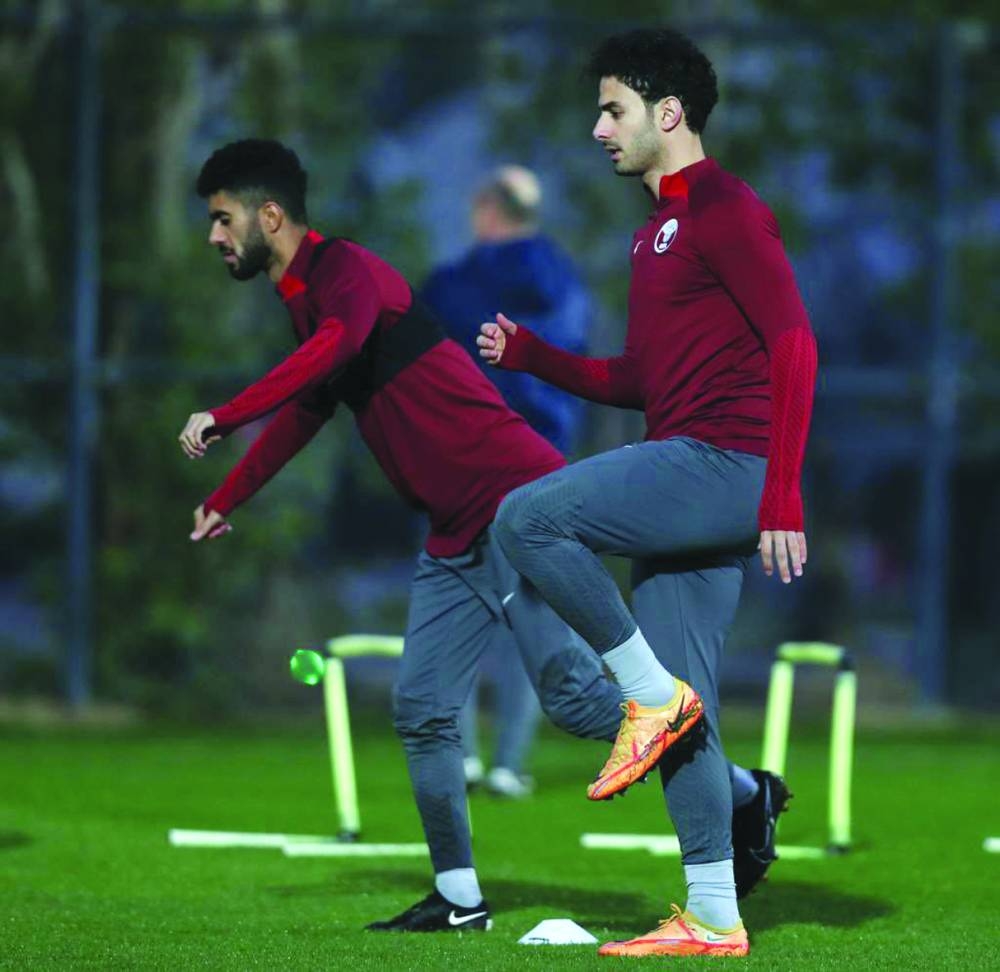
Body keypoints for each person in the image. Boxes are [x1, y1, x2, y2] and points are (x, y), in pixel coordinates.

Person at [177, 138, 628, 933]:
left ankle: (739, 794)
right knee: (422, 708)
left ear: (269, 216)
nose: (213, 237)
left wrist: (222, 415)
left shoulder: (347, 272)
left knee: (574, 699)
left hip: (517, 503)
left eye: (222, 219)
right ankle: (459, 903)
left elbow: (336, 350)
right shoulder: (301, 300)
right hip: (455, 528)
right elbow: (312, 402)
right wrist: (229, 494)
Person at [479, 28, 817, 958]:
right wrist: (535, 356)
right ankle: (713, 914)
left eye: (612, 109)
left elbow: (795, 342)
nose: (598, 128)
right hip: (689, 462)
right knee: (688, 707)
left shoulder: (725, 207)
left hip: (722, 467)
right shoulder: (654, 229)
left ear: (668, 114)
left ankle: (642, 695)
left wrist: (781, 491)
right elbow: (642, 379)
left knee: (527, 516)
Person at [423, 165, 593, 798]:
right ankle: (509, 763)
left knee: (459, 605)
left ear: (490, 210)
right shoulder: (568, 286)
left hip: (464, 461)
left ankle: (462, 755)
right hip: (543, 464)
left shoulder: (453, 286)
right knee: (537, 612)